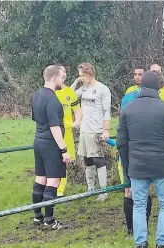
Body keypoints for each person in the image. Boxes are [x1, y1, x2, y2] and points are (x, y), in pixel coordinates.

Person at [117, 71, 164, 248]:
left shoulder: (127, 109)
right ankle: (162, 242)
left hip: (137, 166)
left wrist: (127, 169)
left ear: (141, 86)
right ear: (158, 87)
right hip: (162, 166)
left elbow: (121, 143)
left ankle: (140, 243)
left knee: (139, 205)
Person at [31, 65, 71, 230]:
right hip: (50, 143)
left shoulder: (36, 95)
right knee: (53, 179)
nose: (64, 80)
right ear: (54, 78)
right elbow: (54, 127)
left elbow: (36, 119)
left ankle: (37, 216)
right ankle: (50, 220)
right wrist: (64, 150)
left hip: (38, 141)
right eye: (62, 77)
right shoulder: (52, 99)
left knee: (40, 177)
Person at [119, 66, 153, 241]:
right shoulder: (127, 98)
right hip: (129, 151)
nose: (138, 77)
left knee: (145, 190)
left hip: (144, 152)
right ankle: (131, 229)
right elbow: (122, 126)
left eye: (141, 75)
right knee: (128, 190)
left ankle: (144, 226)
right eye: (136, 74)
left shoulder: (154, 98)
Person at [70, 62, 112, 201]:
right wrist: (76, 82)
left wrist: (106, 130)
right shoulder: (83, 88)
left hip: (96, 130)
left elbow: (107, 111)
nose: (81, 77)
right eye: (79, 75)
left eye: (82, 75)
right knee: (87, 159)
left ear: (90, 73)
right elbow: (69, 96)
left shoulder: (102, 89)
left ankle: (104, 191)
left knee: (98, 160)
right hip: (84, 130)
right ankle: (90, 188)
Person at [54, 64, 82, 197]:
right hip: (52, 133)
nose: (63, 74)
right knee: (53, 161)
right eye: (61, 72)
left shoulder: (70, 92)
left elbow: (78, 111)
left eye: (65, 71)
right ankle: (52, 187)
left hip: (67, 133)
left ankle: (60, 191)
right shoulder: (50, 91)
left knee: (66, 161)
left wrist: (76, 121)